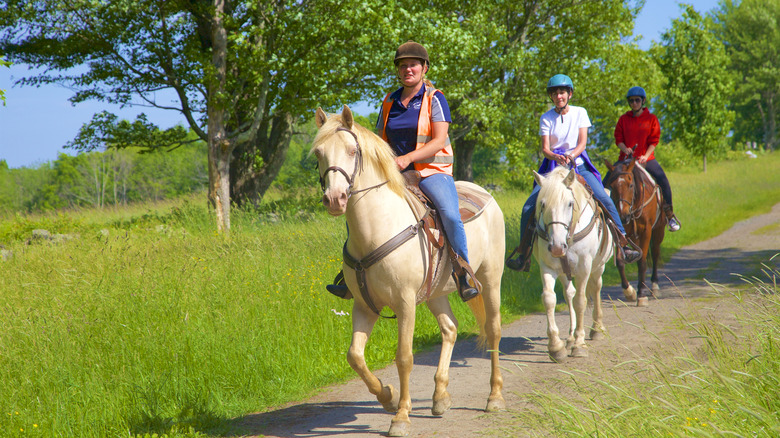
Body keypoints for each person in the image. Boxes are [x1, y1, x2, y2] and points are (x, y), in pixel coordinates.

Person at [327, 40, 479, 302]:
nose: (408, 69)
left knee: (450, 216)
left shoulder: (435, 98)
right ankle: (349, 275)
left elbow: (438, 140)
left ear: (424, 68)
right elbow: (380, 140)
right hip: (394, 172)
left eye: (413, 65)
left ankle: (463, 271)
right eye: (403, 65)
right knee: (360, 208)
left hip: (432, 170)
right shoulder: (390, 100)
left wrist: (407, 158)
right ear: (398, 71)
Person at [506, 74, 641, 272]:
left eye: (562, 92)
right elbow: (545, 148)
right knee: (529, 206)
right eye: (554, 93)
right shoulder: (546, 117)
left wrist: (570, 155)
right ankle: (523, 253)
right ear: (551, 97)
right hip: (554, 168)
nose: (558, 96)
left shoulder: (580, 113)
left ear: (569, 94)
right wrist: (555, 156)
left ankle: (623, 243)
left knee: (604, 198)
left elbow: (582, 143)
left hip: (578, 165)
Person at [610, 86, 681, 231]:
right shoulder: (623, 119)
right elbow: (618, 139)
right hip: (625, 160)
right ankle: (605, 215)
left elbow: (653, 141)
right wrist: (625, 149)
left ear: (643, 101)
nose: (634, 103)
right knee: (607, 181)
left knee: (663, 181)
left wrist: (645, 156)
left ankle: (669, 215)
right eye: (631, 101)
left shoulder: (651, 119)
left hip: (646, 159)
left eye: (637, 100)